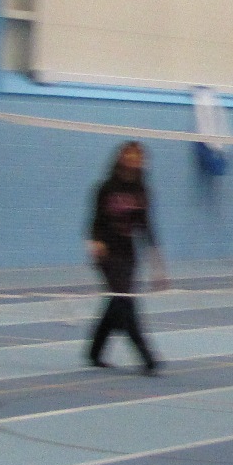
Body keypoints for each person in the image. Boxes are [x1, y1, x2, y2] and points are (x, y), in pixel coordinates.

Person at [85, 141, 165, 373]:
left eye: (138, 157)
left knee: (116, 302)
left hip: (128, 253)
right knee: (125, 303)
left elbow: (146, 226)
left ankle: (94, 352)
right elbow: (95, 220)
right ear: (121, 158)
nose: (133, 160)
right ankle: (147, 357)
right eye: (129, 156)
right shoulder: (105, 187)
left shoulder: (142, 191)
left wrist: (156, 261)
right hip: (107, 253)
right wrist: (96, 242)